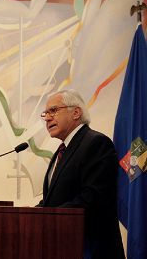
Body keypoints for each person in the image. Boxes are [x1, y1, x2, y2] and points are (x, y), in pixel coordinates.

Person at [36, 89, 125, 259]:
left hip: (91, 250)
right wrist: (33, 214)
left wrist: (45, 217)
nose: (47, 118)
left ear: (76, 112)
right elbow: (55, 199)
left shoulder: (96, 143)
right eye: (45, 113)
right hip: (64, 246)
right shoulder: (62, 150)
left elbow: (93, 198)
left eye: (53, 110)